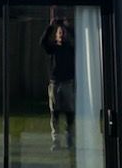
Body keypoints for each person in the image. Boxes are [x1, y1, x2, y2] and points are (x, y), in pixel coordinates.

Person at [40, 14, 75, 151]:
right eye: (59, 33)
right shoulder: (52, 48)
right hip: (55, 83)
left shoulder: (70, 48)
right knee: (54, 112)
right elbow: (42, 42)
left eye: (63, 33)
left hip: (67, 82)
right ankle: (56, 140)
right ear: (56, 35)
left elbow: (77, 38)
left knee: (69, 112)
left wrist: (67, 26)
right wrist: (50, 26)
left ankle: (70, 140)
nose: (61, 35)